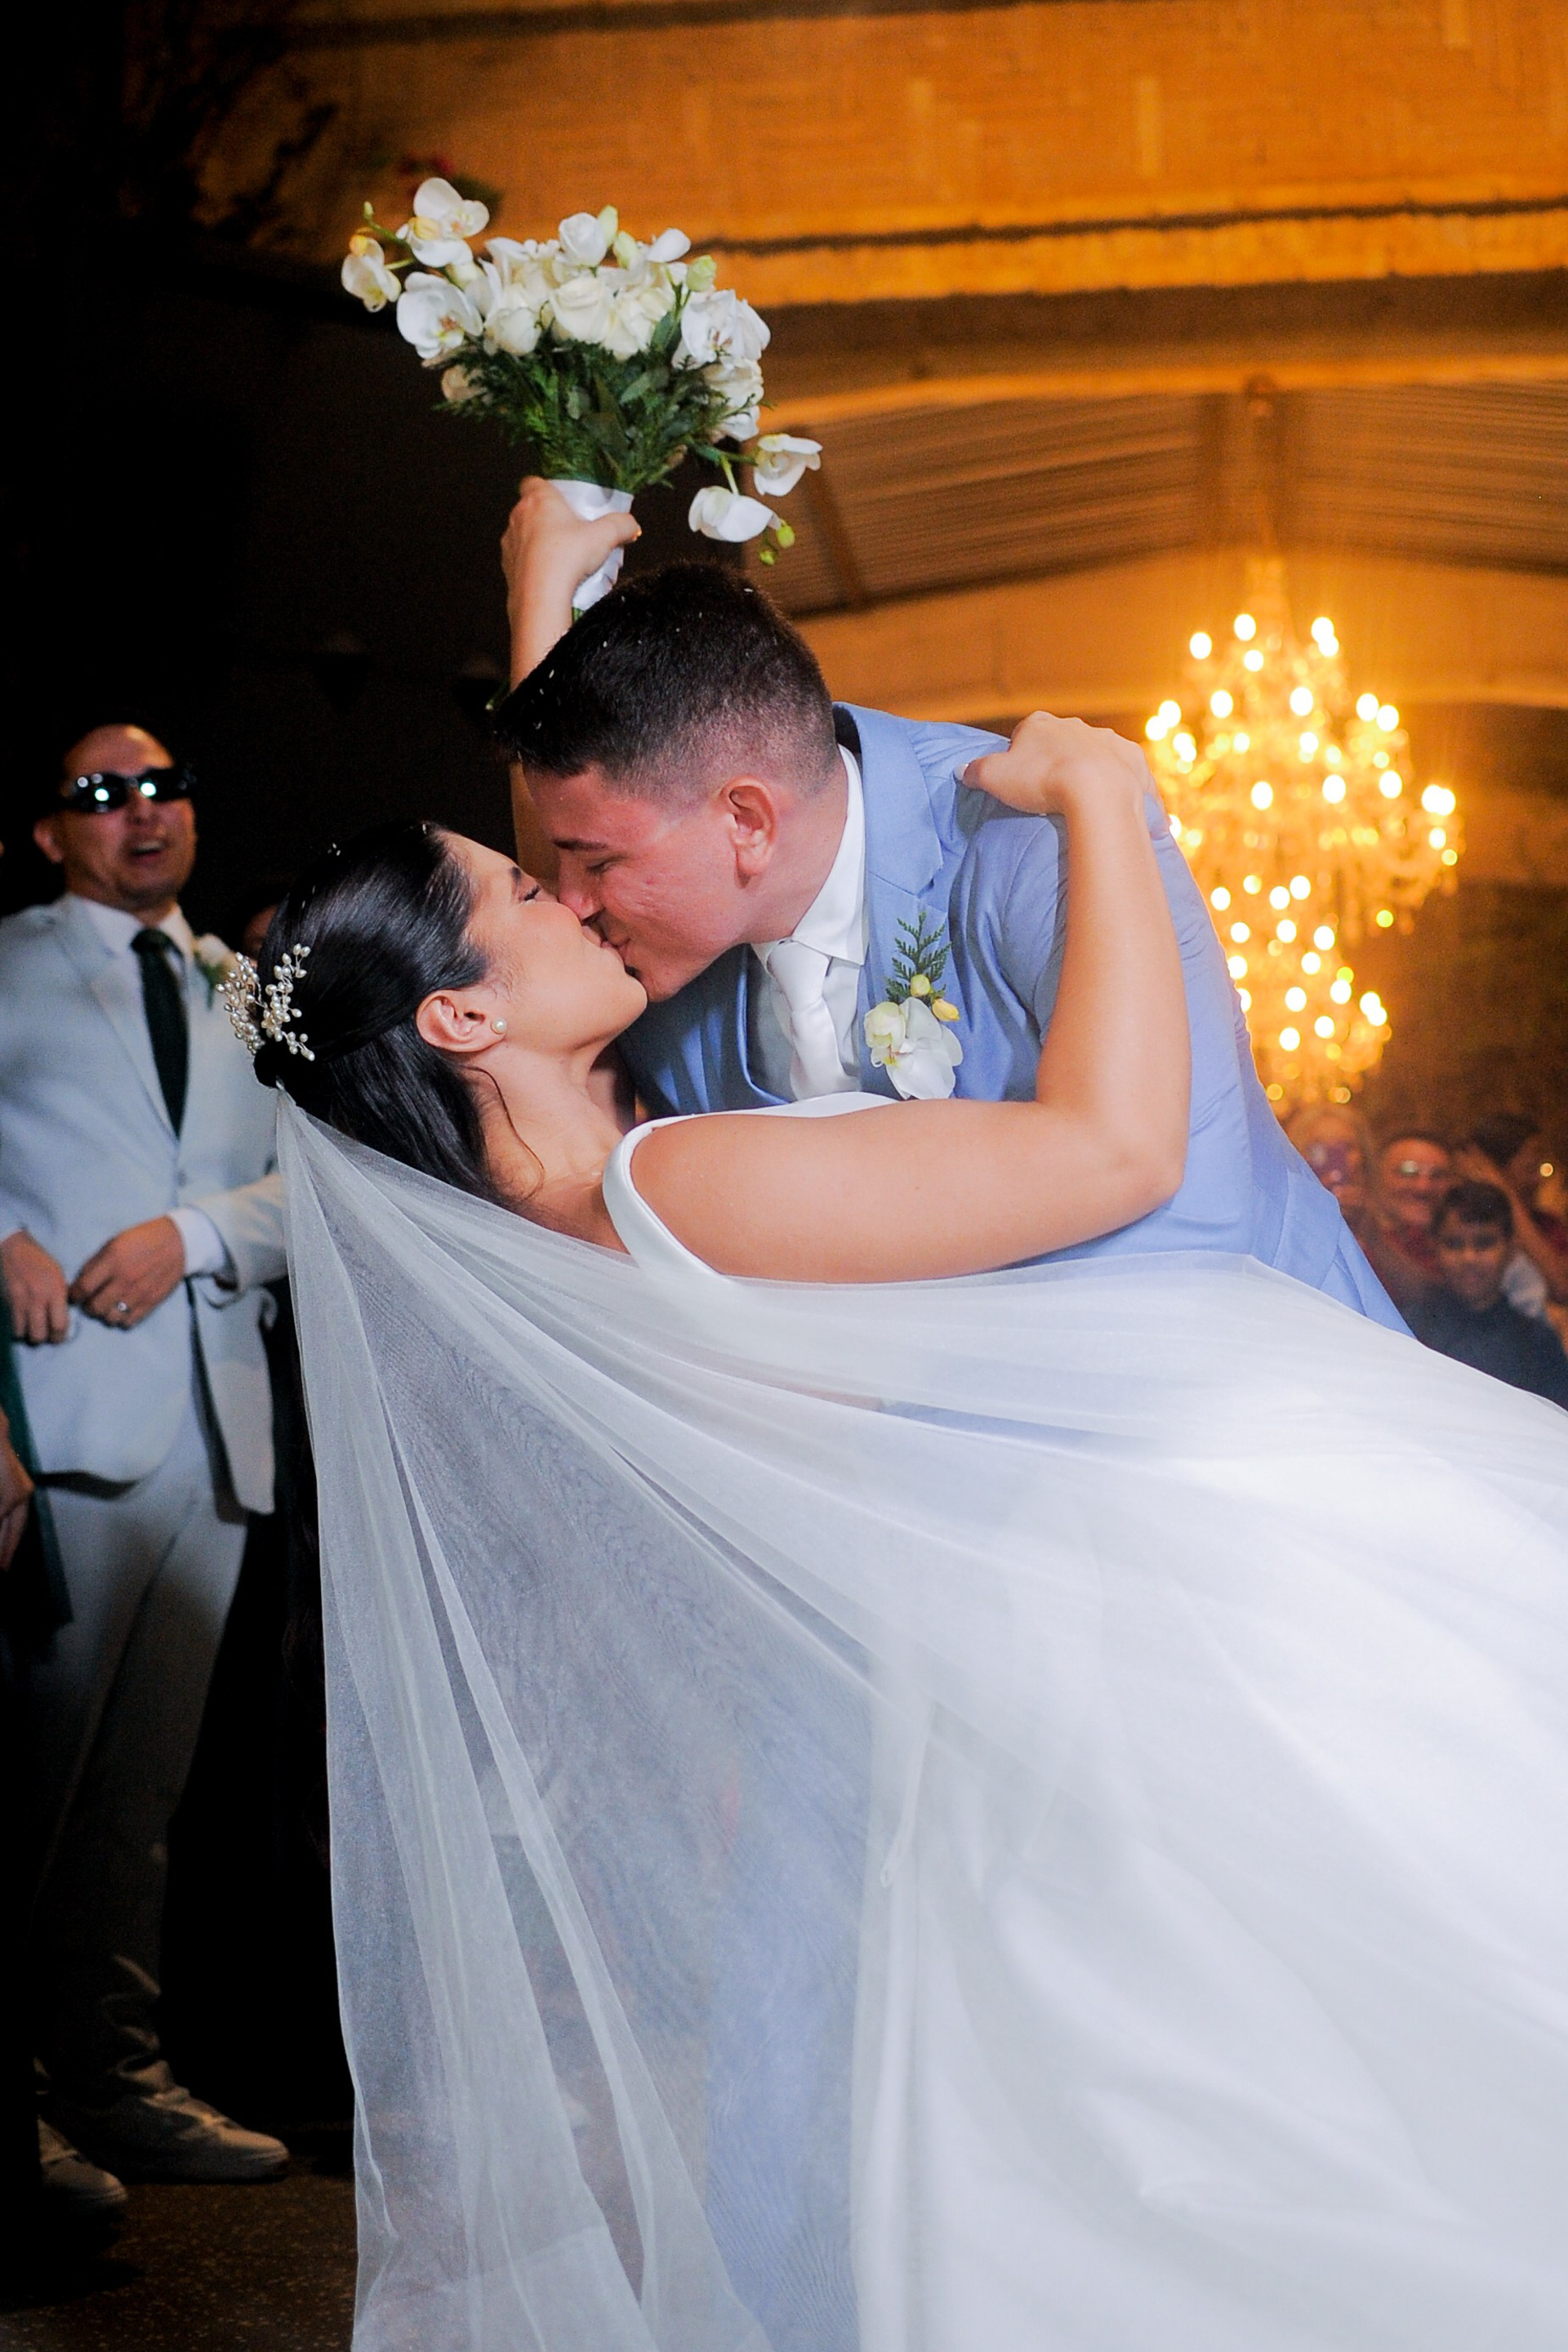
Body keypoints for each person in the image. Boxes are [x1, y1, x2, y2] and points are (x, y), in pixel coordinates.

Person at [239, 706, 1568, 2350]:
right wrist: (1107, 805)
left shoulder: (556, 1237)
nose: (581, 897)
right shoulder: (675, 1192)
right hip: (1130, 1620)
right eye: (528, 891)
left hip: (993, 1691)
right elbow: (1115, 1150)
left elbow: (619, 877)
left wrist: (567, 575)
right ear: (458, 1010)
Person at [491, 482, 1402, 1323]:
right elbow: (548, 903)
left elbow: (1192, 1225)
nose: (570, 905)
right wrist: (539, 592)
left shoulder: (1051, 842)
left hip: (1267, 1373)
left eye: (596, 864)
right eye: (560, 869)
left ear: (747, 821)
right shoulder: (646, 944)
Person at [0, 724, 289, 2188]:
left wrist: (196, 1233)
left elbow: (316, 1190)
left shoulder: (247, 988)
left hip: (216, 1426)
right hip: (55, 1422)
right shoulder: (7, 961)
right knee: (31, 1780)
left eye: (165, 783)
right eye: (104, 794)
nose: (144, 810)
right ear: (55, 832)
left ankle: (113, 2080)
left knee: (141, 1797)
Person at [1409, 1181, 1568, 1407]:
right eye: (1454, 1244)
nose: (1469, 1258)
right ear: (1434, 1247)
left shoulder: (1537, 1344)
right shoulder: (1411, 1330)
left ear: (1512, 1250)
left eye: (1484, 1244)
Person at [1454, 1112, 1568, 1312]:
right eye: (1530, 1168)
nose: (1539, 1180)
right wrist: (1501, 1192)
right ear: (1490, 1171)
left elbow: (1562, 1284)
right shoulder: (1457, 1228)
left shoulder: (1547, 1225)